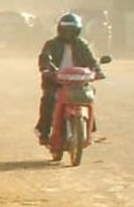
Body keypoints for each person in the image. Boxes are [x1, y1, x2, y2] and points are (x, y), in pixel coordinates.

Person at [34, 13, 103, 142]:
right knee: (49, 99)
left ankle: (90, 129)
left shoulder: (82, 45)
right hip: (56, 82)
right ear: (60, 29)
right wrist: (46, 69)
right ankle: (43, 131)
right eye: (65, 30)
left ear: (78, 30)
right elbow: (44, 57)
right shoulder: (51, 44)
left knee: (89, 96)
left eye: (72, 30)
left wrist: (98, 70)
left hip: (79, 82)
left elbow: (92, 61)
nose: (68, 33)